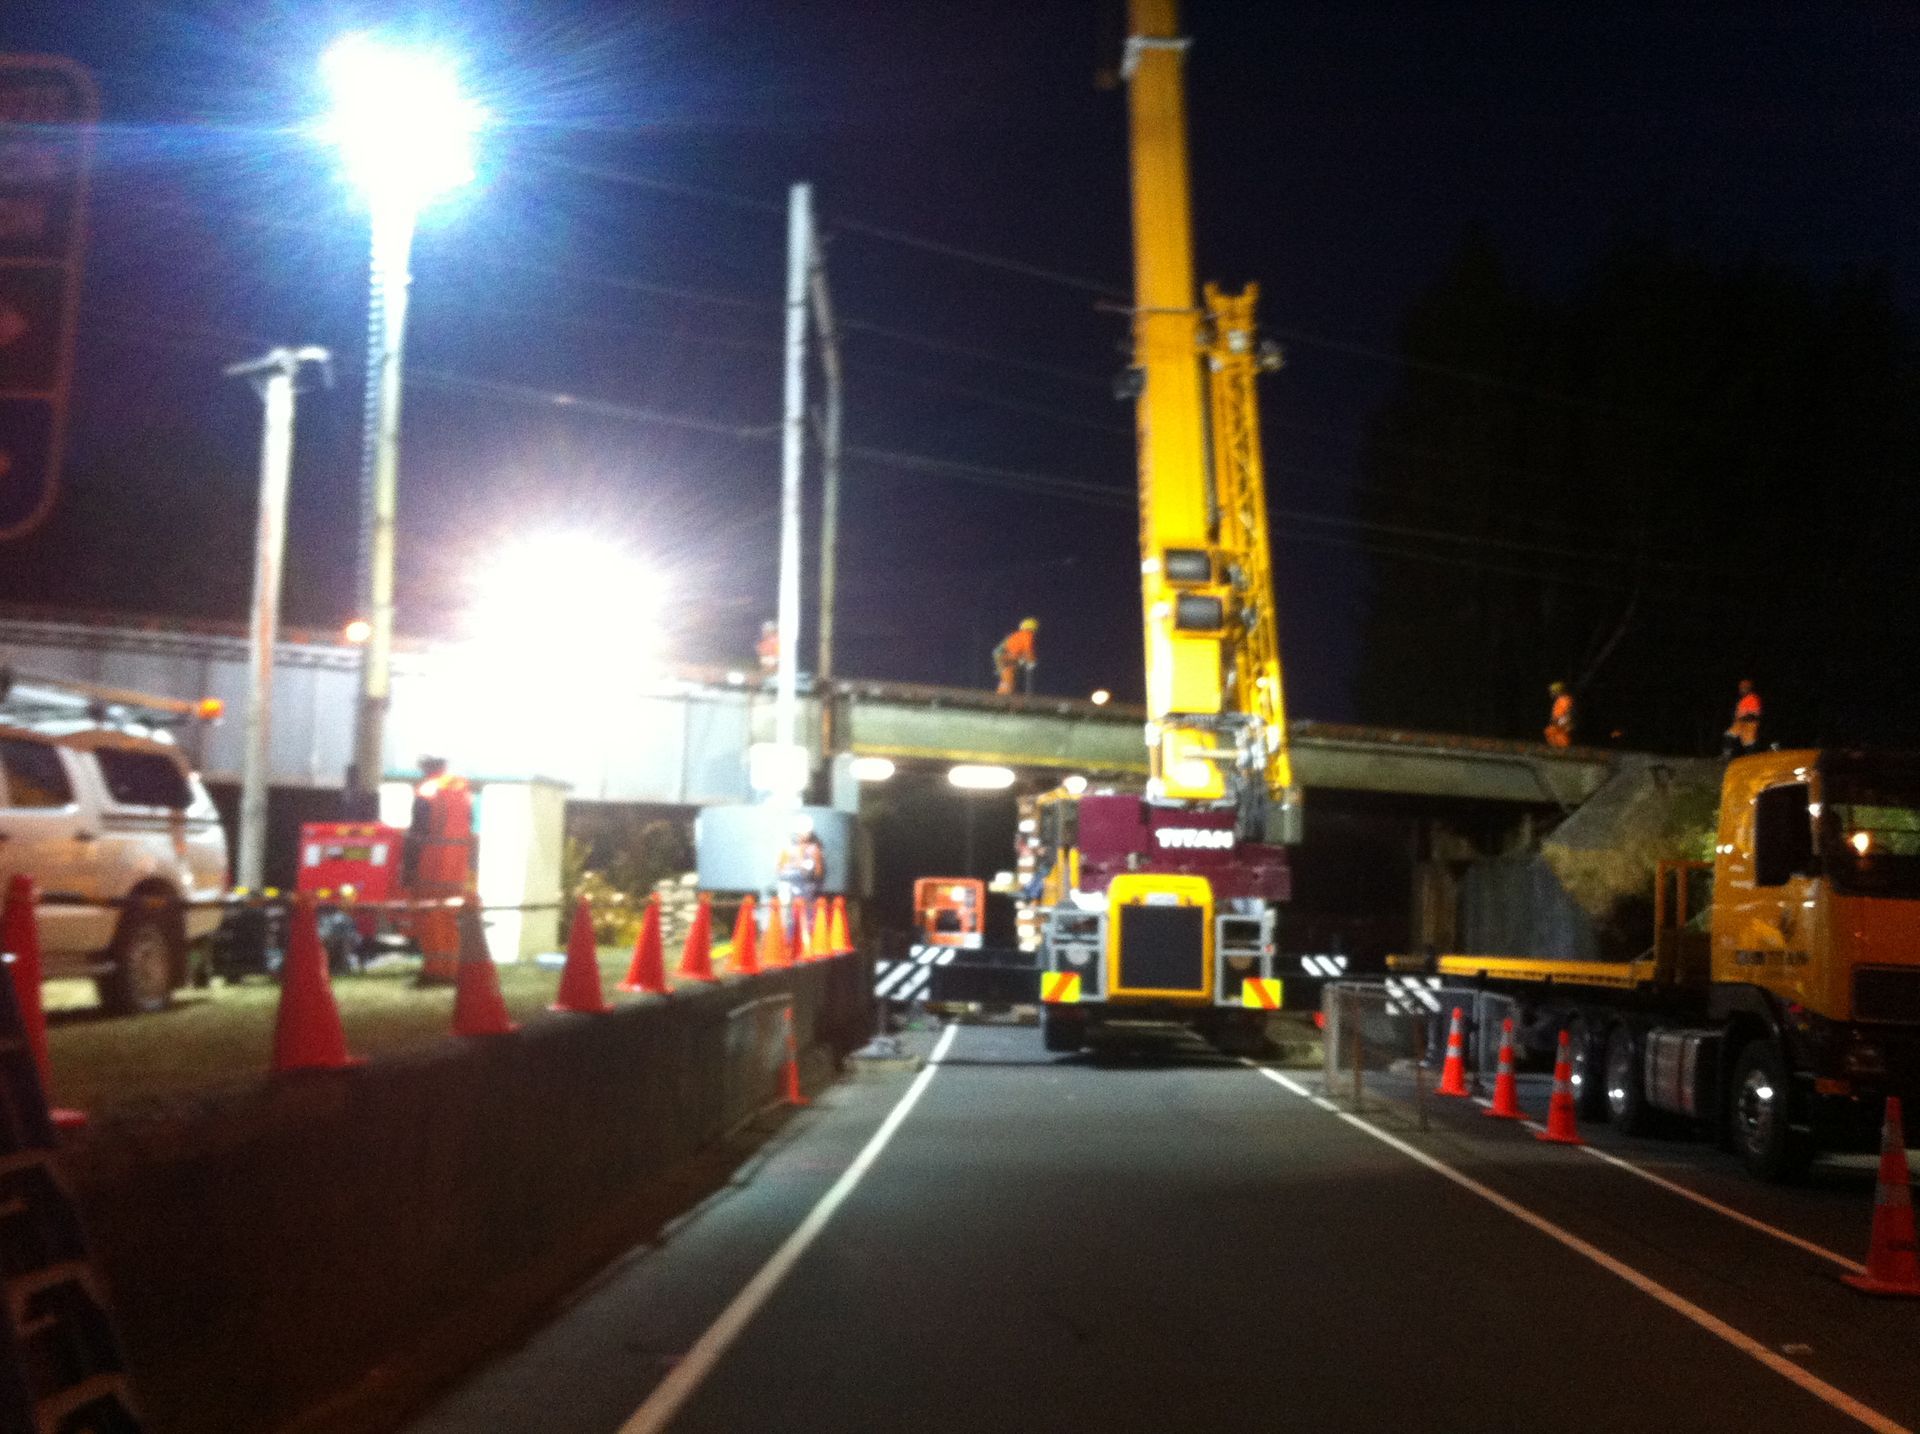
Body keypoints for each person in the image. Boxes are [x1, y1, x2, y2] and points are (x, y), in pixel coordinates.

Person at [405, 757, 475, 984]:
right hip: (456, 866)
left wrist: (409, 867)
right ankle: (452, 969)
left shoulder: (427, 791)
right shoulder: (463, 792)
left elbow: (418, 832)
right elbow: (468, 826)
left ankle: (435, 971)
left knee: (430, 916)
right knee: (450, 917)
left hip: (432, 864)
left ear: (425, 768)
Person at [775, 815, 826, 907]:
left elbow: (818, 873)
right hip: (788, 891)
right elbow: (780, 870)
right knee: (787, 916)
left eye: (805, 833)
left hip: (807, 891)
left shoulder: (814, 850)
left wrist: (803, 867)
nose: (802, 835)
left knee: (806, 917)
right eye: (800, 833)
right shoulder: (788, 849)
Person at [993, 617, 1040, 696]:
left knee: (1008, 679)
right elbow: (1028, 649)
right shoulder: (1027, 635)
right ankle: (1001, 700)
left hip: (1005, 657)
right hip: (1007, 658)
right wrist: (1031, 661)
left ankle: (1002, 698)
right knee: (1008, 679)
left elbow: (1019, 651)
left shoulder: (1017, 635)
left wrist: (1023, 660)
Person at [1723, 679, 1762, 756]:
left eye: (1743, 688)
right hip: (1742, 723)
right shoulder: (1744, 699)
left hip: (1749, 724)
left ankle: (1750, 759)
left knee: (1748, 744)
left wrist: (1742, 719)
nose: (1741, 690)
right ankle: (1726, 755)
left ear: (1748, 688)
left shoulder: (1752, 699)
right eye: (1741, 688)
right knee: (1728, 736)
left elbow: (1754, 715)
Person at [1544, 681, 1574, 749]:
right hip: (1558, 721)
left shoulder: (1566, 699)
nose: (1552, 693)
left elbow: (1569, 711)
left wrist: (1567, 721)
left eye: (1553, 691)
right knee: (1550, 731)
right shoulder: (1559, 700)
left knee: (1560, 734)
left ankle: (1564, 749)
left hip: (1564, 721)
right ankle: (1557, 748)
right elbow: (1556, 712)